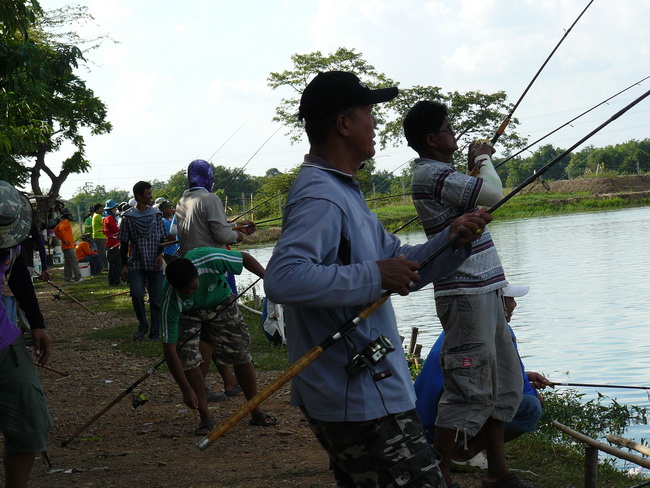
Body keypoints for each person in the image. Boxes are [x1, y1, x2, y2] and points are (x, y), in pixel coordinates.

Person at [263, 71, 491, 487]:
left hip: (361, 392)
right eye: (368, 112)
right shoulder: (320, 196)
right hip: (360, 396)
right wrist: (374, 275)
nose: (375, 123)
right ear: (343, 124)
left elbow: (401, 262)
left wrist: (452, 238)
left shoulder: (345, 191)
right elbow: (284, 279)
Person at [404, 100, 529, 488]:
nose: (453, 134)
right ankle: (439, 476)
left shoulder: (445, 174)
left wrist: (502, 287)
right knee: (468, 387)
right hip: (463, 293)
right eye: (447, 128)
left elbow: (480, 218)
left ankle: (497, 471)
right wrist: (485, 158)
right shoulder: (430, 174)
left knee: (500, 381)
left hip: (485, 287)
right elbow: (491, 194)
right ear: (431, 138)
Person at [414, 284, 553, 469]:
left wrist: (525, 376)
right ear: (498, 304)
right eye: (511, 300)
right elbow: (516, 388)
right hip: (444, 422)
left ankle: (456, 448)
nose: (515, 305)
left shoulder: (462, 325)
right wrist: (531, 390)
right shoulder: (500, 332)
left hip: (423, 421)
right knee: (531, 406)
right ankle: (464, 453)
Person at [161, 247, 276, 435]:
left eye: (193, 287)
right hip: (188, 314)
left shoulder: (211, 259)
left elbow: (245, 258)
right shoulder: (169, 297)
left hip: (220, 301)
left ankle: (255, 410)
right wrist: (185, 390)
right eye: (185, 291)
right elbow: (170, 350)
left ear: (197, 275)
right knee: (187, 358)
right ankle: (205, 417)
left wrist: (267, 278)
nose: (190, 293)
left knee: (240, 353)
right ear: (173, 287)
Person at [175, 160, 254, 401]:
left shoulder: (183, 201)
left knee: (206, 334)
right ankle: (241, 394)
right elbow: (220, 235)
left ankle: (224, 384)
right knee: (228, 334)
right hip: (212, 270)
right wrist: (238, 235)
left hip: (190, 270)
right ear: (208, 176)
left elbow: (205, 229)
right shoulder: (211, 199)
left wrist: (234, 226)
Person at [0, 180, 52, 488]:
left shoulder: (12, 242)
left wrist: (37, 323)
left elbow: (17, 272)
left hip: (6, 341)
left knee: (30, 422)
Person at [118, 181, 166, 342]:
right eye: (148, 194)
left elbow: (162, 238)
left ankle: (155, 333)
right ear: (139, 196)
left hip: (155, 262)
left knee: (156, 300)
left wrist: (160, 254)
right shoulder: (128, 218)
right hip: (136, 263)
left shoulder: (156, 215)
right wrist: (124, 265)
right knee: (137, 294)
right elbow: (123, 243)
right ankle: (143, 324)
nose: (151, 197)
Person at [52, 207, 83, 283]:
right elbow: (61, 229)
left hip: (66, 246)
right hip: (68, 246)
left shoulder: (61, 222)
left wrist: (62, 239)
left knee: (68, 263)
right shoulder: (65, 221)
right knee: (74, 261)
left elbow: (56, 230)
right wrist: (65, 239)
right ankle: (78, 277)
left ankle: (67, 278)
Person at [103, 199, 121, 286]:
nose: (115, 210)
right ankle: (115, 281)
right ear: (111, 209)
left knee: (112, 264)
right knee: (115, 264)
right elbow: (115, 229)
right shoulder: (110, 218)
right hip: (113, 243)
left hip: (109, 242)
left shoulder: (105, 218)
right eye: (114, 208)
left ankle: (113, 281)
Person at [154, 199, 179, 264]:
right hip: (170, 252)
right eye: (169, 208)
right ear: (164, 211)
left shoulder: (169, 220)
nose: (172, 209)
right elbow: (172, 237)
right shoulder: (165, 222)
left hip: (172, 251)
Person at [91, 203, 107, 270]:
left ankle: (102, 266)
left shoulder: (95, 215)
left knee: (100, 252)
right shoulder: (98, 216)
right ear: (97, 210)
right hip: (100, 237)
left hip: (98, 236)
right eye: (100, 209)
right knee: (102, 252)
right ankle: (102, 267)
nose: (102, 210)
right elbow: (105, 223)